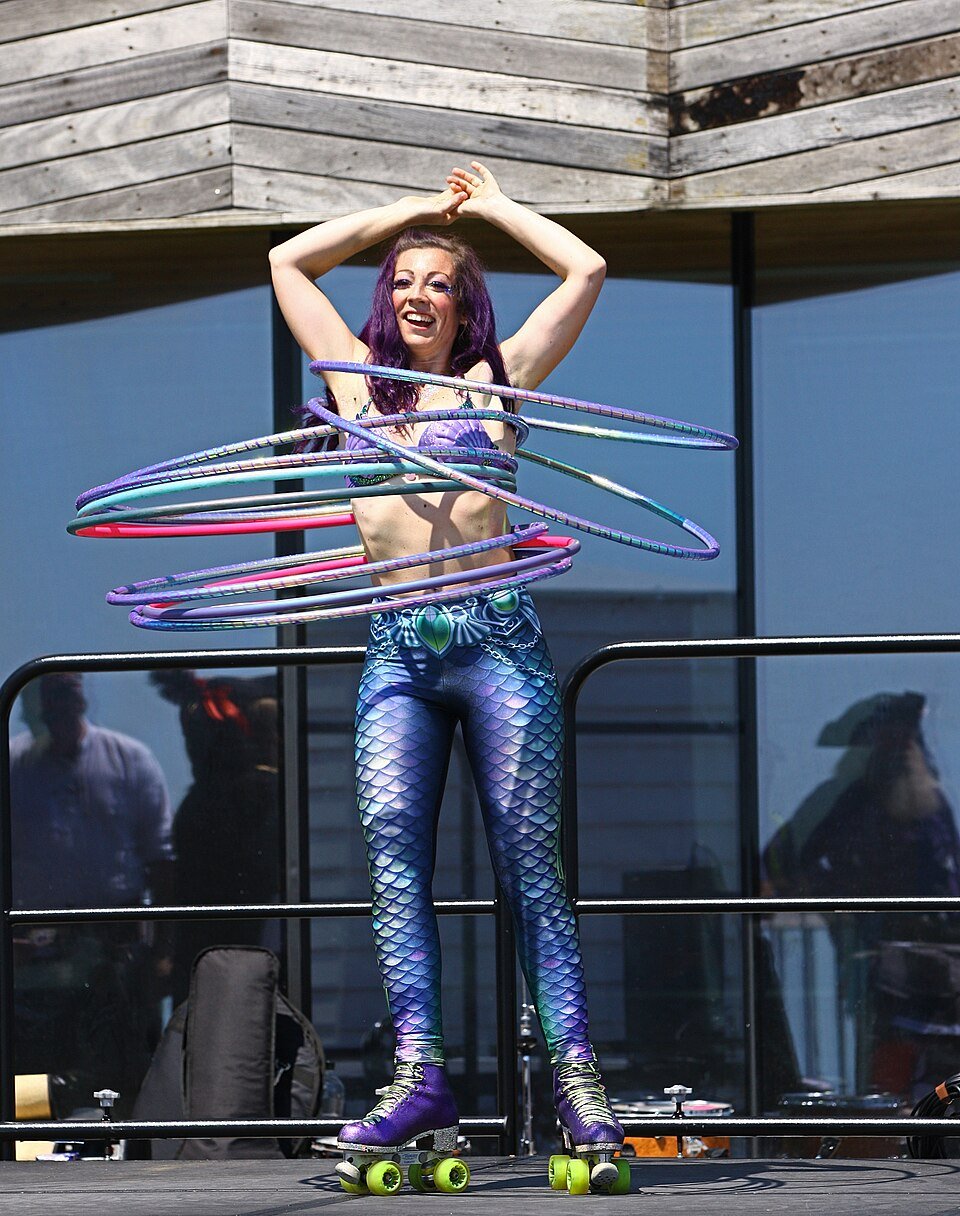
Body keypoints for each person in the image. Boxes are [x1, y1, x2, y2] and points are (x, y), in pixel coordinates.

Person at [270, 160, 623, 1181]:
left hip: (498, 646)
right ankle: (419, 1076)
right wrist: (412, 213)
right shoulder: (351, 380)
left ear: (466, 305)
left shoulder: (498, 376)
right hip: (397, 653)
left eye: (440, 283)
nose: (419, 295)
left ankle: (579, 1086)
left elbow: (587, 269)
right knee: (392, 864)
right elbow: (287, 260)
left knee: (531, 869)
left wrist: (495, 210)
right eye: (404, 282)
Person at [9, 672, 173, 1109]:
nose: (61, 703)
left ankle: (125, 1147)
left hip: (113, 945)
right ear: (34, 706)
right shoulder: (13, 766)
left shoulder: (129, 759)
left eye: (70, 691)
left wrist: (163, 952)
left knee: (121, 1072)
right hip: (35, 952)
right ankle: (33, 1147)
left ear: (84, 699)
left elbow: (161, 859)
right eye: (51, 694)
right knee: (36, 1074)